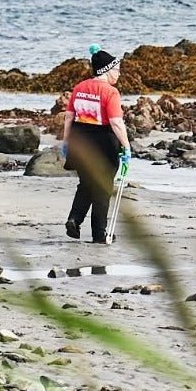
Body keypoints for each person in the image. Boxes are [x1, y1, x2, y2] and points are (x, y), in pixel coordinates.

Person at [61, 45, 131, 244]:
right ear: (107, 70)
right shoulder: (111, 92)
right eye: (117, 70)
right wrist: (126, 147)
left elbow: (69, 117)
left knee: (86, 184)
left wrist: (66, 141)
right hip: (103, 144)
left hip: (80, 141)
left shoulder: (80, 87)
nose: (119, 74)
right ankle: (99, 234)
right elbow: (116, 123)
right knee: (102, 189)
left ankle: (74, 219)